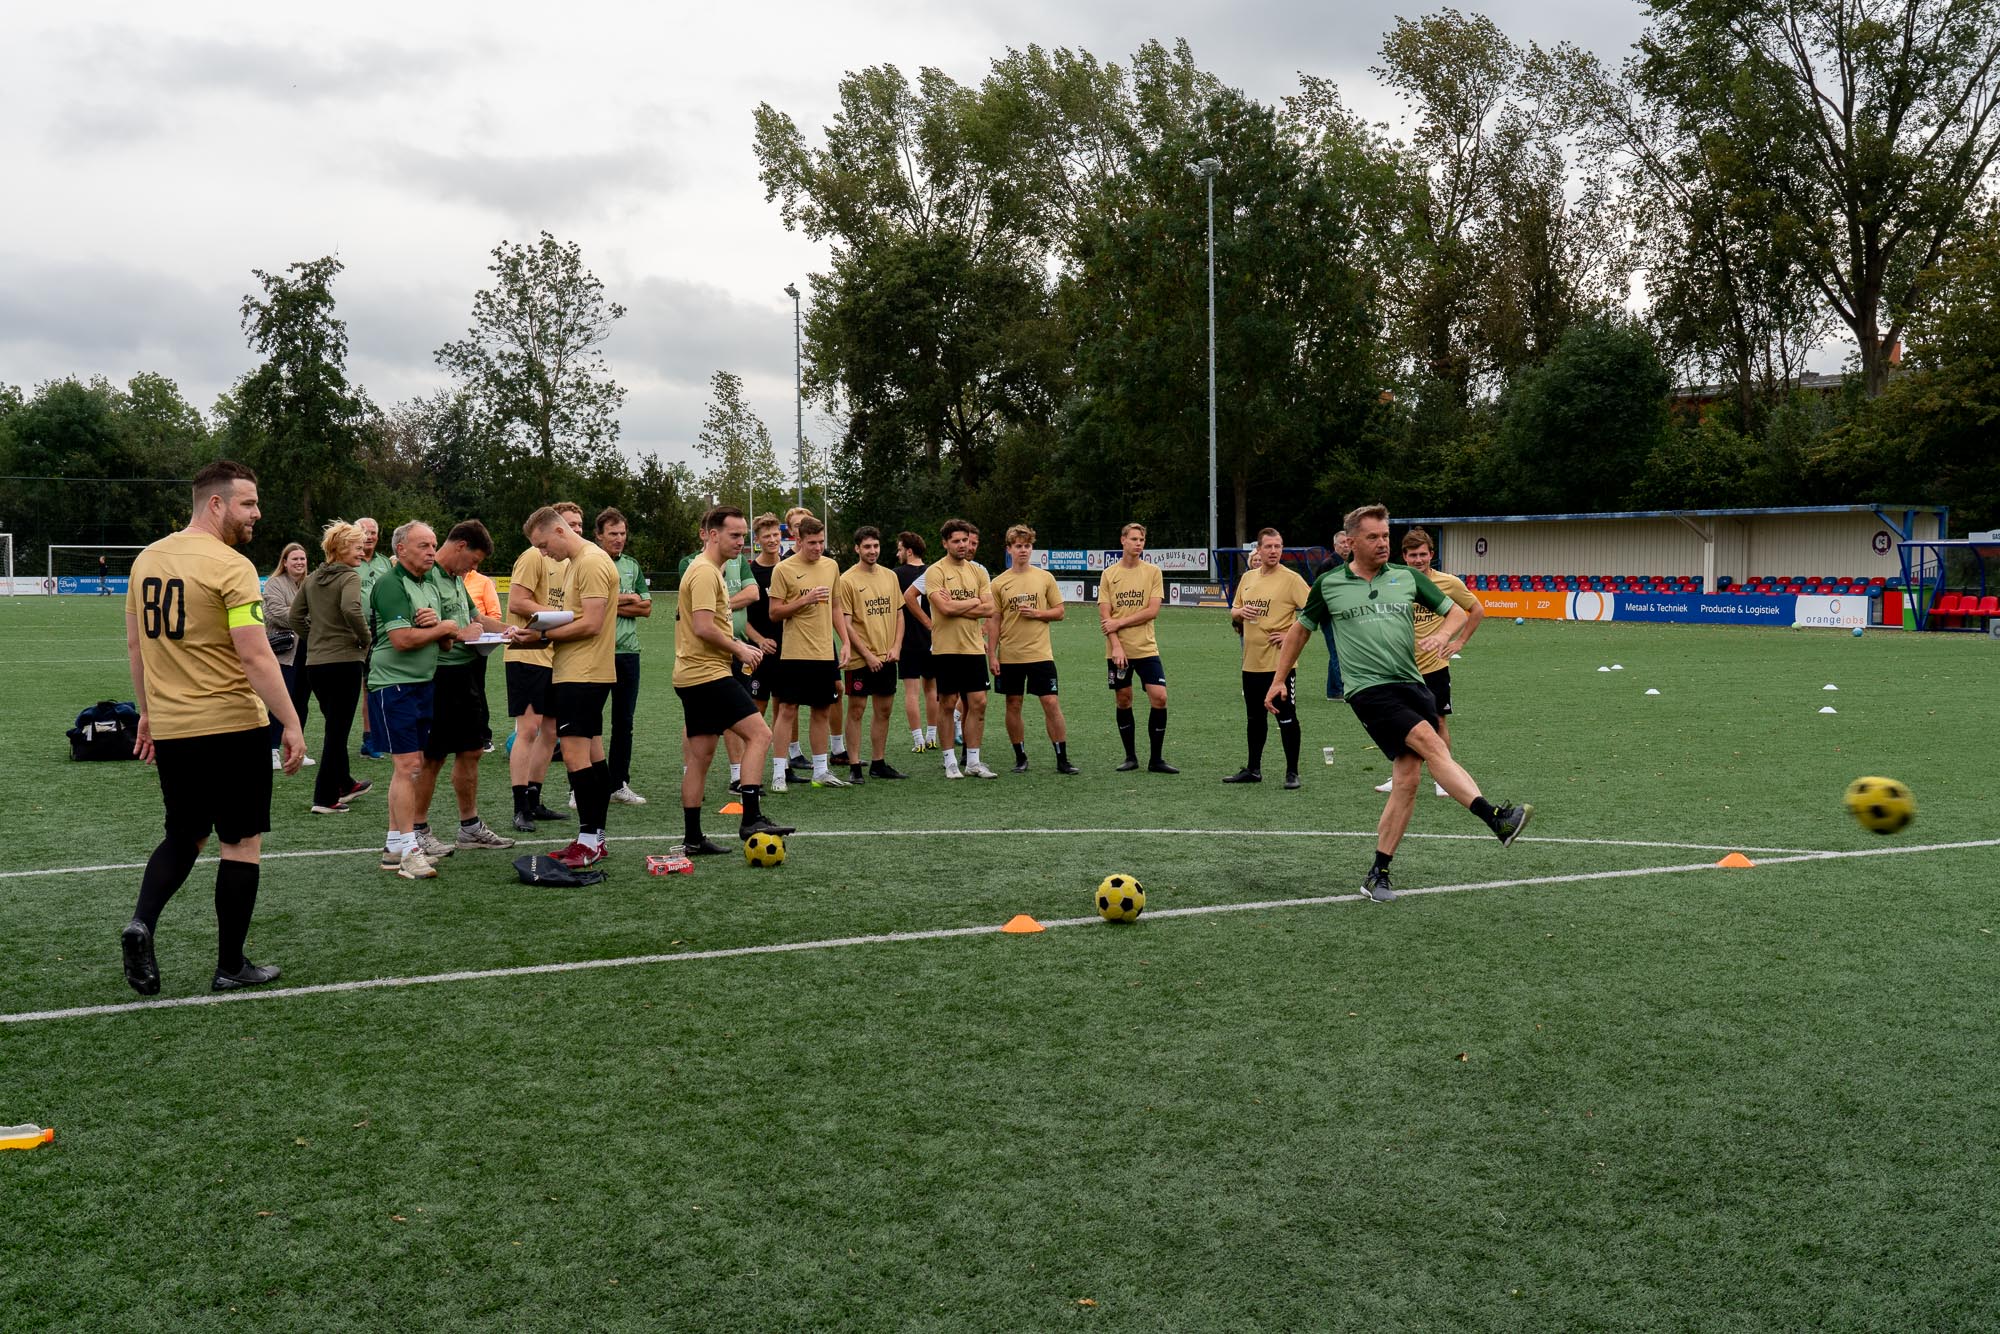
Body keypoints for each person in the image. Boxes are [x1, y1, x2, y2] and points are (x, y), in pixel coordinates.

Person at [1266, 504, 1533, 903]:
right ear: (1351, 542)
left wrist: (1443, 636)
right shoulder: (1329, 584)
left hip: (1413, 685)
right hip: (1369, 690)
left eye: (1385, 536)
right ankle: (1494, 817)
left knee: (1407, 782)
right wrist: (1278, 680)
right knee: (1432, 743)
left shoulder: (1407, 577)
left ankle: (1379, 872)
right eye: (1373, 537)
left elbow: (1457, 613)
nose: (1382, 543)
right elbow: (1299, 632)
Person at [119, 459, 302, 996]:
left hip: (174, 727)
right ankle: (230, 965)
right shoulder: (232, 565)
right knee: (240, 842)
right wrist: (290, 721)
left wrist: (147, 712)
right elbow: (256, 655)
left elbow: (136, 646)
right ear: (216, 503)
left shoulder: (147, 559)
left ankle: (141, 922)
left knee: (185, 834)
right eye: (249, 502)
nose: (257, 513)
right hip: (231, 725)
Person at [674, 505, 796, 852]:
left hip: (693, 675)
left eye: (743, 535)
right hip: (707, 674)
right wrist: (740, 648)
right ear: (713, 535)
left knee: (700, 757)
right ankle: (751, 817)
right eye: (735, 535)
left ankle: (693, 838)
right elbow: (702, 626)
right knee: (760, 734)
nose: (742, 542)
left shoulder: (714, 569)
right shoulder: (704, 571)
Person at [508, 505, 620, 869]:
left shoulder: (590, 561)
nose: (543, 553)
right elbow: (578, 618)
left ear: (559, 531)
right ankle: (595, 838)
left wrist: (542, 635)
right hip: (578, 670)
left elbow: (592, 623)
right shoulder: (578, 562)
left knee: (575, 756)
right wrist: (538, 633)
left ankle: (588, 841)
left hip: (583, 673)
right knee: (594, 756)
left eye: (543, 545)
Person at [366, 520, 466, 880]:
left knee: (414, 766)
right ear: (401, 549)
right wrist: (442, 627)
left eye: (433, 545)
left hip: (422, 684)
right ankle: (409, 850)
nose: (431, 551)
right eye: (423, 545)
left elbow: (446, 644)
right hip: (394, 685)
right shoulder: (391, 583)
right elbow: (402, 640)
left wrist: (439, 628)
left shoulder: (428, 585)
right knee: (408, 767)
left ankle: (395, 846)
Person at [414, 520, 516, 854]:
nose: (473, 568)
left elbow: (478, 619)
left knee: (472, 749)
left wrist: (511, 631)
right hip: (437, 676)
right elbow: (425, 628)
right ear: (460, 546)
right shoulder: (425, 577)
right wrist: (460, 634)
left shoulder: (456, 579)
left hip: (465, 673)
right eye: (473, 560)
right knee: (433, 757)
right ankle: (417, 829)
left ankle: (470, 828)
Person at [1374, 527, 1484, 798]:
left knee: (1438, 722)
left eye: (1423, 554)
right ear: (1404, 556)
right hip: (1399, 668)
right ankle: (1400, 776)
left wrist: (1459, 642)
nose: (1418, 560)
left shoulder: (1448, 583)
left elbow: (1476, 609)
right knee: (1401, 724)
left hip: (1434, 667)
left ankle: (1443, 779)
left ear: (1431, 555)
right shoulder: (1392, 581)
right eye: (1413, 555)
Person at [294, 520, 374, 814]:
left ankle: (345, 782)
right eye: (357, 547)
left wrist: (315, 637)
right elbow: (351, 608)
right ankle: (325, 797)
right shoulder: (349, 577)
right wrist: (365, 639)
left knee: (334, 726)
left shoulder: (312, 578)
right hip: (344, 663)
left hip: (316, 665)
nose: (362, 551)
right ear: (341, 548)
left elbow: (294, 616)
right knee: (337, 732)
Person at [768, 516, 851, 789]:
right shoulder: (783, 569)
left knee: (822, 710)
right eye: (812, 542)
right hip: (794, 654)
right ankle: (779, 773)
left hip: (824, 653)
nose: (818, 547)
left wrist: (845, 642)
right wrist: (805, 600)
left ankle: (820, 771)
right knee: (787, 710)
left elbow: (836, 607)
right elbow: (774, 613)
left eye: (821, 542)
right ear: (799, 540)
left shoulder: (831, 566)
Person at [987, 524, 1077, 775]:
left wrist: (1037, 613)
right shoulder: (999, 583)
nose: (1023, 550)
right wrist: (992, 654)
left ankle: (1062, 759)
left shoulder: (1044, 577)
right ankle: (1020, 757)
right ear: (1009, 549)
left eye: (1027, 546)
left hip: (1040, 654)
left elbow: (1059, 612)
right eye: (1018, 546)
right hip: (1010, 655)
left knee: (1051, 702)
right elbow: (994, 621)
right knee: (1013, 704)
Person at [1226, 528, 1310, 789]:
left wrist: (1289, 634)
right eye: (1269, 546)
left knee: (1286, 717)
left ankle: (1292, 772)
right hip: (1251, 663)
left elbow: (1314, 612)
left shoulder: (1292, 579)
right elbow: (1234, 610)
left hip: (1280, 666)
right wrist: (1239, 612)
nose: (1274, 551)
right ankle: (1253, 769)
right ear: (1259, 550)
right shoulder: (1248, 577)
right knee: (1254, 719)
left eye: (1278, 546)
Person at [503, 509, 568, 833]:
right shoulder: (533, 556)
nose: (577, 529)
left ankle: (534, 798)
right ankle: (520, 808)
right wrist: (562, 616)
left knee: (551, 732)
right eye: (572, 522)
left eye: (580, 524)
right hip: (527, 654)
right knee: (527, 730)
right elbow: (517, 602)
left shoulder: (570, 562)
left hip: (556, 655)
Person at [1098, 522, 1176, 773]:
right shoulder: (1109, 574)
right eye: (1134, 539)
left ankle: (1156, 760)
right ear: (1123, 540)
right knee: (1123, 699)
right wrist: (1116, 646)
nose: (1138, 543)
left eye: (1141, 539)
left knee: (1160, 697)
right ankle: (1130, 757)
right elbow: (1105, 617)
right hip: (1118, 650)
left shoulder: (1153, 572)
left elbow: (1152, 611)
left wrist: (1120, 622)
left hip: (1146, 648)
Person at [835, 525, 907, 783]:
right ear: (857, 549)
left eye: (875, 546)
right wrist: (867, 655)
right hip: (860, 659)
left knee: (884, 710)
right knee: (857, 709)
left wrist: (896, 646)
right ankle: (855, 765)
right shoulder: (847, 580)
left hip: (887, 657)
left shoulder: (890, 576)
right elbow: (846, 624)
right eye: (867, 546)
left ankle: (878, 762)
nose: (872, 551)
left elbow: (899, 615)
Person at [925, 518, 996, 779]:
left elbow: (990, 608)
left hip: (973, 648)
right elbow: (944, 609)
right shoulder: (935, 571)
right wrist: (974, 602)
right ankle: (950, 762)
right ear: (945, 543)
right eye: (956, 541)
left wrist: (960, 605)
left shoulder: (978, 572)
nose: (962, 545)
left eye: (965, 540)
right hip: (946, 649)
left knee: (979, 702)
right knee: (947, 703)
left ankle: (973, 762)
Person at [590, 507, 652, 806]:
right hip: (596, 651)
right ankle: (582, 787)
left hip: (628, 653)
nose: (619, 538)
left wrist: (610, 603)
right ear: (598, 536)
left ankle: (618, 783)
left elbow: (647, 607)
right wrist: (628, 599)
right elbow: (589, 606)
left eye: (622, 533)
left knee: (624, 722)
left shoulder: (631, 565)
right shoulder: (589, 562)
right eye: (612, 533)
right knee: (589, 722)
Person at [261, 542, 315, 771]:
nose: (299, 563)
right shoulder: (274, 583)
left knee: (302, 701)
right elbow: (276, 614)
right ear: (284, 562)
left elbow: (320, 611)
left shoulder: (310, 583)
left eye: (302, 559)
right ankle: (272, 749)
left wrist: (300, 614)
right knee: (281, 701)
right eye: (295, 559)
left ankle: (296, 749)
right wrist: (306, 615)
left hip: (308, 652)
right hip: (285, 653)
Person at [896, 531, 941, 752]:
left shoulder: (895, 575)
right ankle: (932, 737)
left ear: (909, 551)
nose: (897, 554)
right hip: (933, 638)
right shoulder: (935, 572)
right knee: (932, 689)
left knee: (911, 692)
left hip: (907, 640)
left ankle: (918, 740)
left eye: (899, 549)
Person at [355, 516, 394, 759]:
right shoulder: (349, 561)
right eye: (364, 532)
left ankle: (373, 737)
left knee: (375, 684)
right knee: (360, 687)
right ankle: (369, 738)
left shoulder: (385, 563)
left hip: (381, 631)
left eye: (373, 532)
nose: (369, 536)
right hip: (354, 632)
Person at [462, 559, 503, 751]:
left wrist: (476, 628)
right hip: (451, 645)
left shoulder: (483, 581)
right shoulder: (444, 578)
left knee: (476, 689)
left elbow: (494, 615)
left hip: (477, 646)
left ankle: (483, 735)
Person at [1310, 531, 1353, 701]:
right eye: (1342, 543)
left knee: (1337, 652)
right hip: (1330, 615)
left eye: (1348, 542)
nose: (1346, 546)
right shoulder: (1328, 564)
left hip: (1342, 615)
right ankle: (1341, 690)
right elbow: (1319, 591)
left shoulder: (1350, 563)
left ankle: (1333, 691)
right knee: (1337, 652)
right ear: (1335, 546)